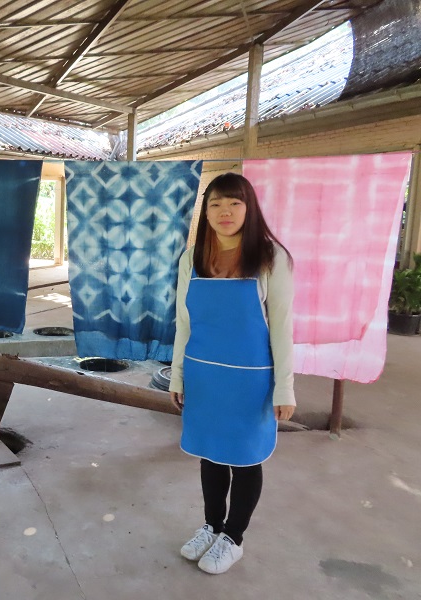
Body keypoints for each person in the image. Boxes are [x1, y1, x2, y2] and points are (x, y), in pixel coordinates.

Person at [168, 173, 295, 574]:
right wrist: (177, 375)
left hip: (250, 379)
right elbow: (184, 323)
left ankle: (233, 538)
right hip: (204, 375)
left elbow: (282, 327)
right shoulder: (192, 258)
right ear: (205, 212)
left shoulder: (271, 257)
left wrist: (284, 387)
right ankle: (211, 526)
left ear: (249, 208)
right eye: (216, 204)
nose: (225, 212)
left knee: (244, 458)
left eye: (235, 203)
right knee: (210, 453)